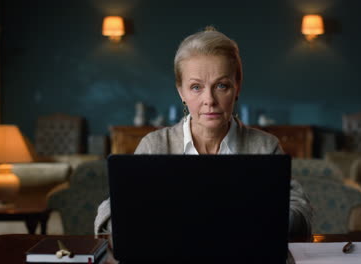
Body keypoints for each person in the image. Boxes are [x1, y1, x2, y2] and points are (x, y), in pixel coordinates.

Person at [95, 26, 312, 242]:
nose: (209, 100)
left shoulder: (265, 147)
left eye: (221, 86)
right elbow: (108, 212)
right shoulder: (154, 145)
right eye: (196, 87)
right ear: (181, 91)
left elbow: (300, 211)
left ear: (237, 87)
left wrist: (258, 220)